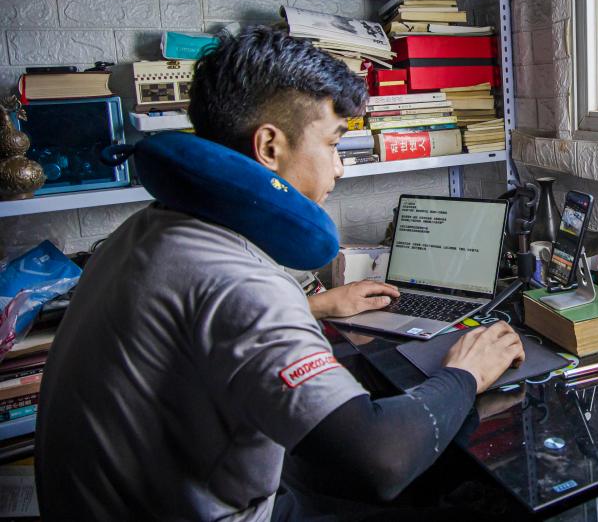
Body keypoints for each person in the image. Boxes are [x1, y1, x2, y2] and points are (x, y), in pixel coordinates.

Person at [35, 26, 525, 520]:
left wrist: (315, 306)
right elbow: (380, 459)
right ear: (270, 147)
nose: (339, 168)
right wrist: (466, 373)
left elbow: (200, 325)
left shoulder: (147, 230)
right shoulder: (243, 283)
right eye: (333, 144)